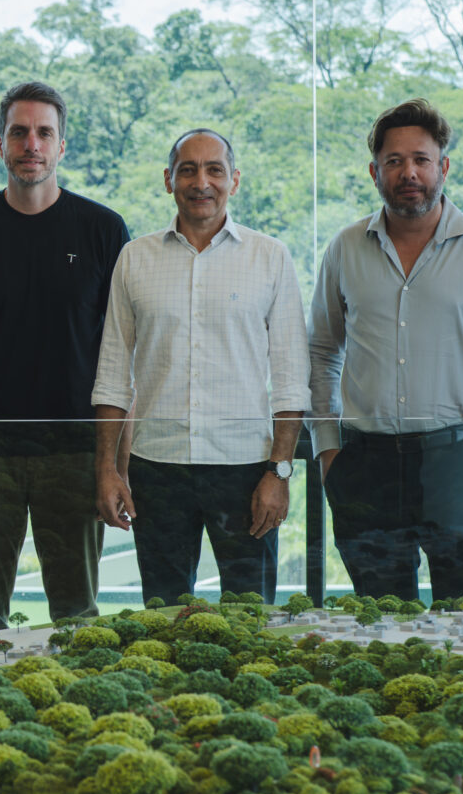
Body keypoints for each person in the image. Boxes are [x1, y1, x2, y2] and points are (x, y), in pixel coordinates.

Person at [309, 98, 463, 600]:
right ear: (375, 171)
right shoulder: (344, 249)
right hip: (363, 465)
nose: (408, 172)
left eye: (421, 159)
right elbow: (321, 352)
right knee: (383, 622)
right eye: (394, 161)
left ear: (443, 167)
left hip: (459, 463)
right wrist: (328, 451)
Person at [0, 83, 128, 631]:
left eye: (43, 133)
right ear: (0, 145)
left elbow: (121, 354)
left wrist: (111, 462)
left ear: (62, 146)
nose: (31, 144)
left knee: (77, 616)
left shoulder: (102, 230)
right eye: (18, 132)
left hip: (74, 453)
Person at [92, 130, 305, 606]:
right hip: (156, 468)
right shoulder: (135, 258)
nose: (201, 181)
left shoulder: (270, 257)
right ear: (169, 180)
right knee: (162, 615)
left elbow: (292, 381)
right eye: (187, 169)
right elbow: (111, 375)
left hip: (247, 469)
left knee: (253, 618)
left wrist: (281, 473)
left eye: (214, 169)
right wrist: (108, 469)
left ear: (234, 180)